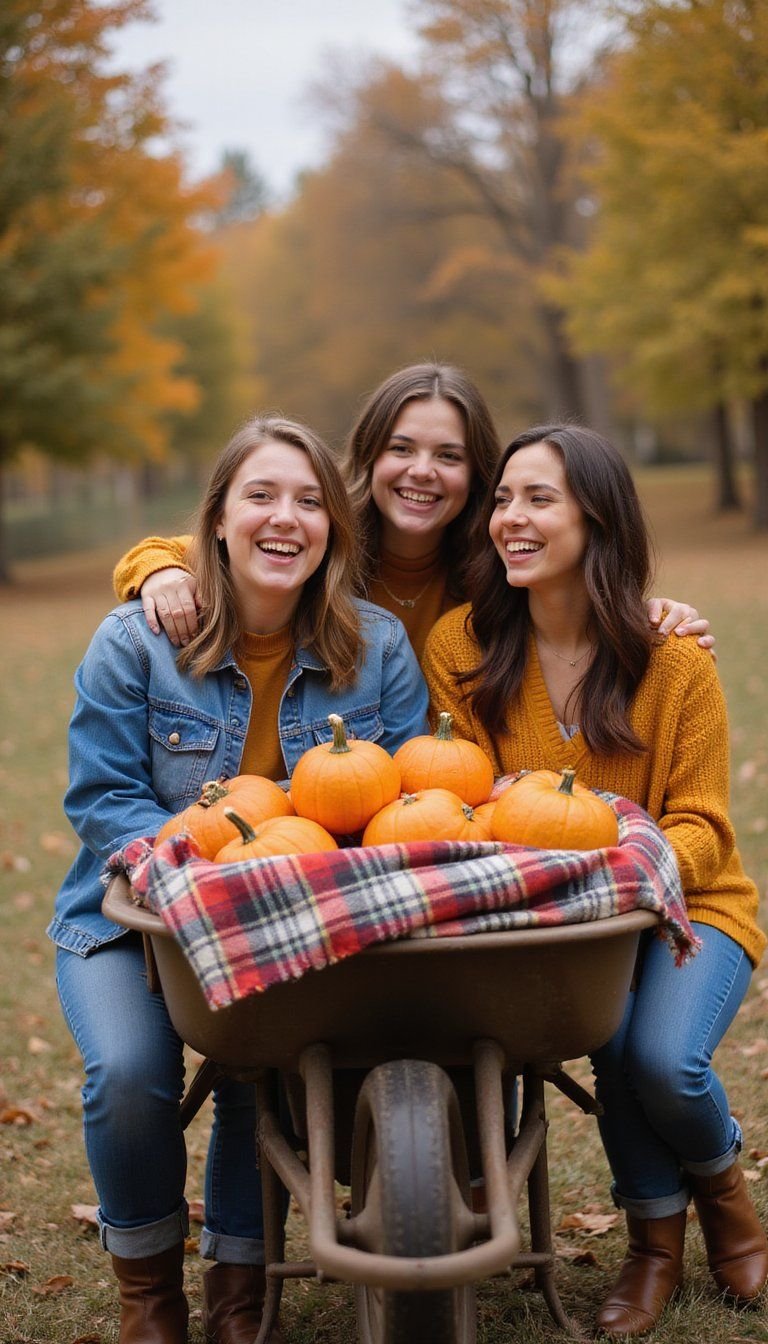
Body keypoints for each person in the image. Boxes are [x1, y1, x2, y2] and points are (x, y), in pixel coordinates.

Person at [49, 416, 429, 1344]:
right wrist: (223, 869)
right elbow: (105, 800)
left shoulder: (373, 646)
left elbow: (410, 799)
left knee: (255, 1068)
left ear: (335, 528)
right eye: (261, 495)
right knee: (132, 1074)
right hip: (133, 908)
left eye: (310, 502)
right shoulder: (134, 641)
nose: (285, 518)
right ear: (216, 519)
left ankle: (237, 1280)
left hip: (300, 913)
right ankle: (150, 1292)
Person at [421, 424, 767, 1337]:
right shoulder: (463, 646)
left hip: (691, 905)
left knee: (664, 1060)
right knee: (614, 1047)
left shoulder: (674, 660)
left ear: (597, 517)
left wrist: (626, 877)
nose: (510, 519)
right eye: (502, 499)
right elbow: (468, 806)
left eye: (539, 498)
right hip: (556, 928)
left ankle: (724, 1196)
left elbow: (701, 824)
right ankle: (653, 1245)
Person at [110, 364, 715, 663]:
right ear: (370, 457)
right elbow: (200, 547)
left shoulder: (501, 566)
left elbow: (578, 596)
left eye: (447, 455)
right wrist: (160, 572)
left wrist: (651, 612)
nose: (421, 472)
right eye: (401, 449)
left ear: (479, 472)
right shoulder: (319, 539)